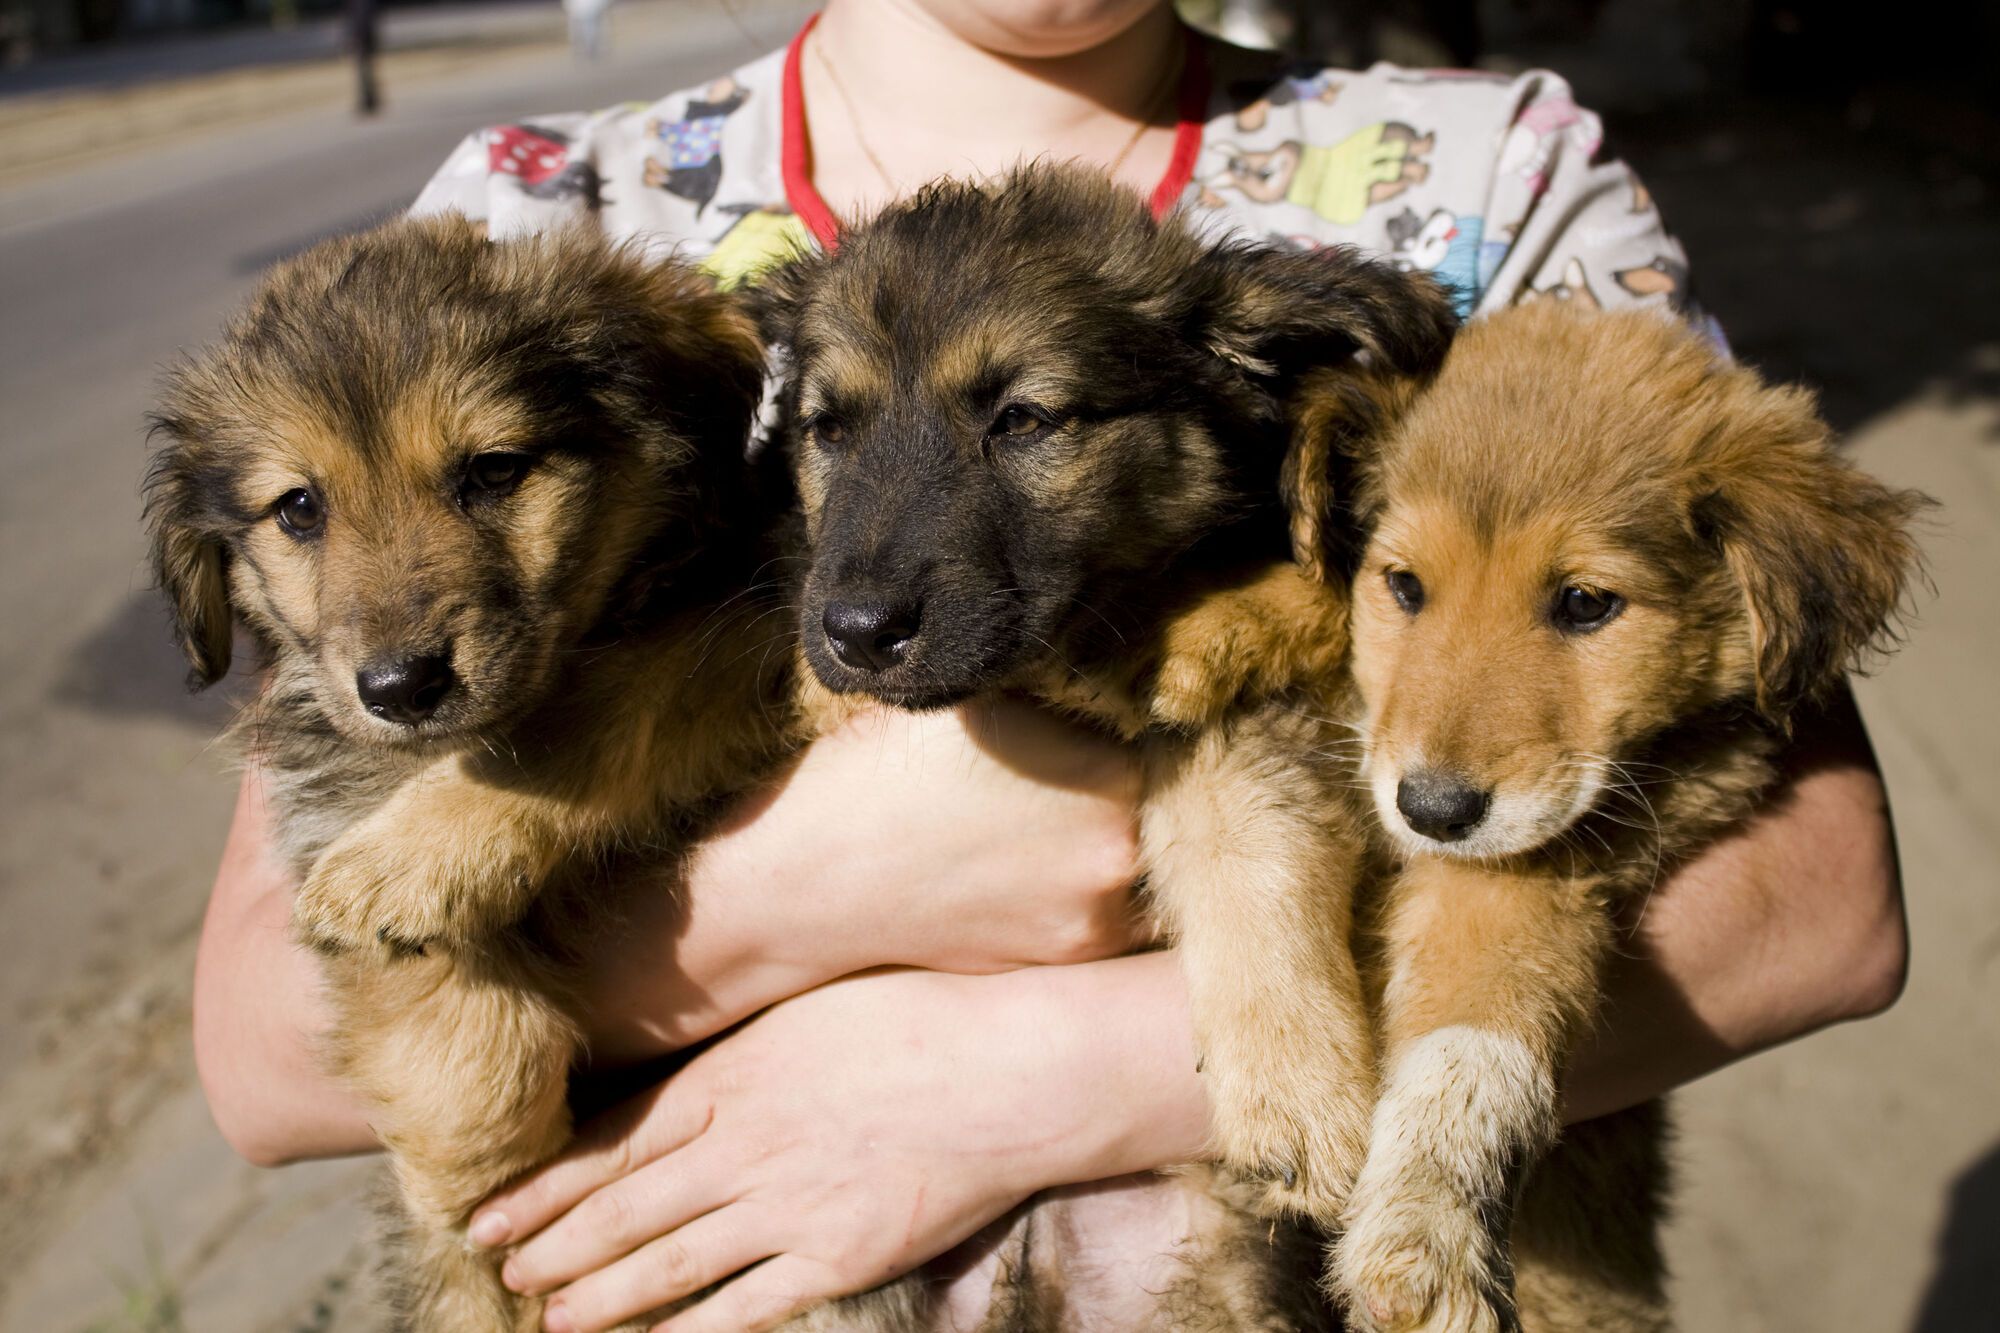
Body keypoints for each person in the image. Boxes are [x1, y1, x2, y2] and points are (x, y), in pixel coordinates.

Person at [192, 3, 1910, 1330]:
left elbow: (1819, 905)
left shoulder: (1480, 182)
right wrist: (808, 909)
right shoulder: (534, 230)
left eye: (1029, 421)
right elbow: (271, 1042)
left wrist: (1029, 1080)